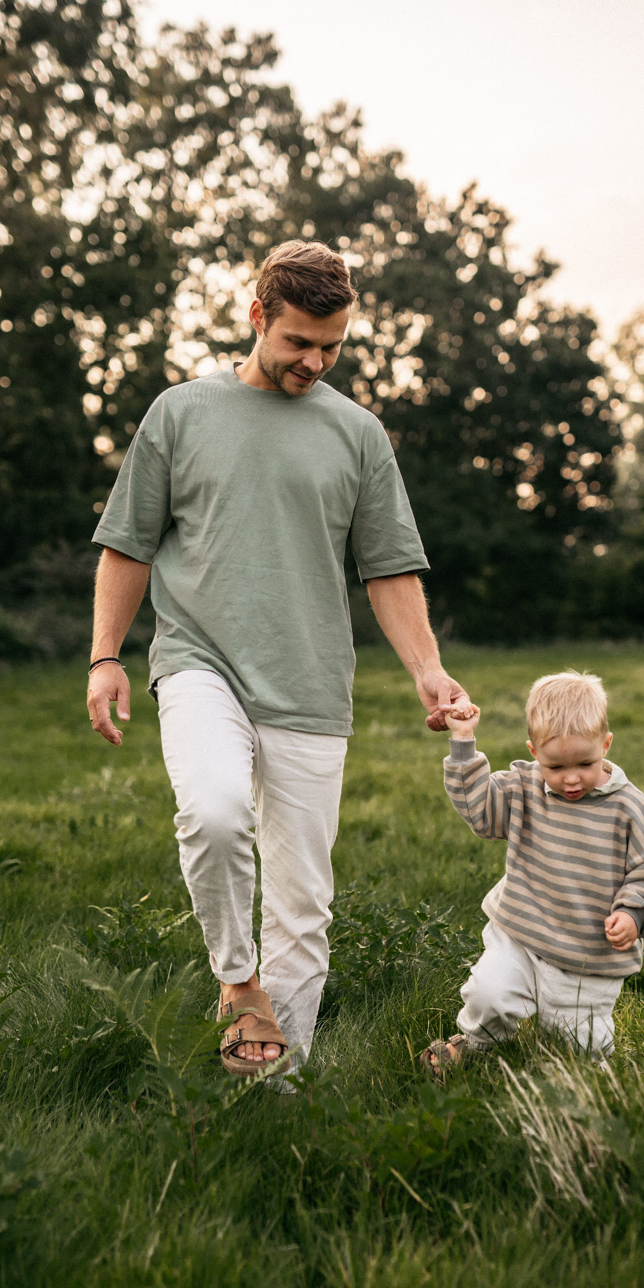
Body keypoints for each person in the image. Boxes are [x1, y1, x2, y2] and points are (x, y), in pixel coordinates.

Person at [86, 239, 468, 1077]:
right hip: (198, 659)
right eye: (299, 342)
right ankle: (237, 983)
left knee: (303, 905)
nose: (316, 362)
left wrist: (427, 670)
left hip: (310, 681)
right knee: (216, 812)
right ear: (257, 317)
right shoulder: (181, 412)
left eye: (333, 345)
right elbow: (127, 544)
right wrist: (105, 657)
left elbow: (390, 567)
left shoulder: (358, 434)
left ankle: (274, 1088)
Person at [421, 671, 644, 1072]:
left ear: (606, 744)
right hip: (522, 933)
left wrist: (634, 913)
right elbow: (481, 811)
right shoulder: (525, 787)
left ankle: (584, 1085)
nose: (572, 777)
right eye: (555, 766)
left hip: (588, 954)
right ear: (534, 750)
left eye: (585, 762)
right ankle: (473, 1045)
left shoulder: (629, 808)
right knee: (488, 995)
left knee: (576, 1049)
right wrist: (462, 742)